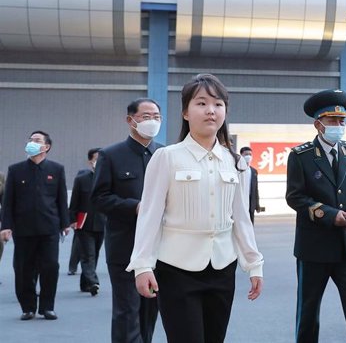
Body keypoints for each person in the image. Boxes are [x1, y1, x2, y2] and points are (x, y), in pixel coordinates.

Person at [127, 73, 264, 343]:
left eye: (218, 104)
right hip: (177, 269)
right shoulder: (167, 157)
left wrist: (253, 263)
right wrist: (142, 265)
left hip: (223, 268)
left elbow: (241, 219)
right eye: (201, 103)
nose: (210, 111)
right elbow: (150, 215)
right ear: (186, 112)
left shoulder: (236, 162)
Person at [286, 89, 346, 343]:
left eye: (342, 121)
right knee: (308, 311)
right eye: (333, 121)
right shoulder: (301, 156)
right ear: (318, 124)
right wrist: (331, 215)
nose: (339, 126)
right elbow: (295, 197)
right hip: (313, 248)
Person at [92, 99, 163, 343]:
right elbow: (99, 199)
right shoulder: (110, 155)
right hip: (125, 246)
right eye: (145, 116)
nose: (151, 121)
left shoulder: (164, 154)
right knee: (127, 310)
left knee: (150, 309)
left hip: (159, 247)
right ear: (130, 120)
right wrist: (134, 207)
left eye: (156, 116)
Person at [0, 131, 70, 321]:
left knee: (50, 268)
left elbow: (61, 199)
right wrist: (5, 226)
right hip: (24, 230)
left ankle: (47, 307)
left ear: (46, 147)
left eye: (37, 140)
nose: (32, 143)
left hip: (49, 229)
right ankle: (28, 307)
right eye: (30, 140)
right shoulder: (16, 170)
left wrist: (65, 223)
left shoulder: (56, 169)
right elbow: (8, 202)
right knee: (23, 269)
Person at [68, 148, 105, 296]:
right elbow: (74, 202)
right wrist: (71, 220)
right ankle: (93, 281)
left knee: (94, 253)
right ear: (90, 161)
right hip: (83, 222)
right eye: (97, 158)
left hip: (102, 222)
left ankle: (85, 283)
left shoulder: (107, 179)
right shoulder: (81, 179)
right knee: (87, 254)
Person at [240, 146, 262, 223]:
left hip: (251, 201)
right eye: (246, 154)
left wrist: (257, 204)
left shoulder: (253, 171)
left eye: (250, 154)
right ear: (241, 155)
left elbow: (255, 189)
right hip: (241, 201)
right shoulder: (237, 170)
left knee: (250, 223)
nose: (248, 156)